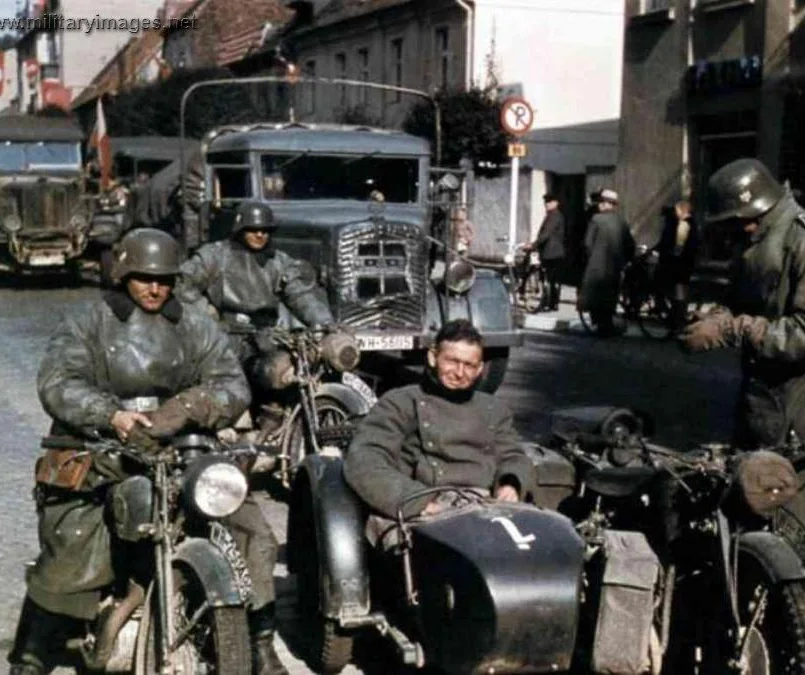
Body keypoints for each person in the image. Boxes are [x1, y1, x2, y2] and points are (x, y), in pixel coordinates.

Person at [7, 229, 287, 675]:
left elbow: (232, 383)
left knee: (247, 525)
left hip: (184, 449)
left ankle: (259, 639)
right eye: (143, 278)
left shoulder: (194, 322)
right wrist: (110, 414)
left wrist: (187, 407)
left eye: (164, 279)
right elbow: (58, 383)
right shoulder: (89, 320)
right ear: (123, 275)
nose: (155, 288)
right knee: (72, 542)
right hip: (100, 449)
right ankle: (33, 652)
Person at [678, 158, 805, 603]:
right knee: (761, 497)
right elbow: (742, 298)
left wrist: (733, 328)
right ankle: (773, 599)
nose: (737, 230)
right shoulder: (759, 237)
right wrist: (713, 316)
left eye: (739, 221)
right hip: (771, 394)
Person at [343, 319, 534, 546]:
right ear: (433, 358)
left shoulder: (493, 409)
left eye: (469, 365)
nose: (460, 372)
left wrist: (510, 484)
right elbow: (366, 459)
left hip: (485, 506)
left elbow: (513, 454)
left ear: (480, 368)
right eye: (452, 361)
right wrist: (416, 502)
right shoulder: (401, 402)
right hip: (424, 504)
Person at [177, 201, 336, 426]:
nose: (260, 234)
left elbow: (301, 295)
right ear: (240, 228)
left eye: (265, 230)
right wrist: (206, 315)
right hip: (222, 337)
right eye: (253, 229)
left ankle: (277, 432)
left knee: (284, 375)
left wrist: (324, 324)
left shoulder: (279, 261)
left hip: (266, 338)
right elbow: (183, 287)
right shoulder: (214, 255)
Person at [579, 188, 636, 335]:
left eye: (601, 202)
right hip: (614, 268)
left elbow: (587, 244)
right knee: (610, 296)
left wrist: (588, 258)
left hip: (596, 267)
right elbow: (630, 245)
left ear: (606, 204)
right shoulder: (621, 222)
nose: (599, 205)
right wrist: (626, 260)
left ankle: (599, 324)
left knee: (594, 296)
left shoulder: (596, 220)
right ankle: (608, 323)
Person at [654, 199, 699, 328]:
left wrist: (671, 256)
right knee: (680, 291)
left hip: (680, 265)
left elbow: (679, 246)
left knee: (673, 289)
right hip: (688, 263)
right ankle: (678, 316)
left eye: (677, 210)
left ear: (681, 210)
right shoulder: (693, 224)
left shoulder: (683, 225)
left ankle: (676, 317)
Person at [528, 194, 566, 311]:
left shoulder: (554, 216)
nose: (546, 204)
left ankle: (550, 303)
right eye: (546, 202)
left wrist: (533, 245)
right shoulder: (554, 215)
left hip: (551, 253)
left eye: (549, 202)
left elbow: (546, 234)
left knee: (549, 279)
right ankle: (552, 303)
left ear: (556, 203)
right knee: (553, 280)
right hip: (554, 252)